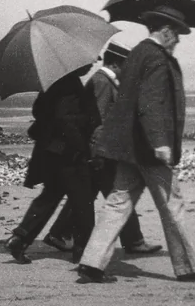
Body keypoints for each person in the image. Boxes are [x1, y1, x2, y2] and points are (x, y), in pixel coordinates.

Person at [76, 5, 195, 284]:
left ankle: (92, 264)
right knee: (172, 205)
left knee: (117, 204)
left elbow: (132, 101)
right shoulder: (156, 58)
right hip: (147, 149)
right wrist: (160, 143)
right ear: (166, 32)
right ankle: (189, 267)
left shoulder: (138, 54)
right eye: (177, 34)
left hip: (129, 147)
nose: (178, 40)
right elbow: (150, 104)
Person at [41, 43, 161, 256]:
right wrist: (100, 152)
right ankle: (134, 241)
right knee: (119, 195)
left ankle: (59, 233)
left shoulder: (102, 80)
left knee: (89, 196)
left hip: (100, 151)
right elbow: (98, 121)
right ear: (116, 64)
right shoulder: (102, 82)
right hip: (102, 152)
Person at [4, 65, 101, 264]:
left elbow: (38, 110)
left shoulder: (52, 81)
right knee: (83, 203)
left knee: (49, 197)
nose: (91, 65)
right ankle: (83, 253)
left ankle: (20, 238)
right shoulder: (71, 84)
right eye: (88, 63)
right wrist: (83, 147)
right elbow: (66, 120)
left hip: (51, 151)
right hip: (69, 153)